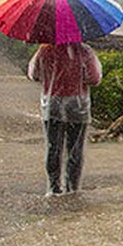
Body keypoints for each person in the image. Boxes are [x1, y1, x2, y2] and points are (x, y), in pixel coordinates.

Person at [27, 42, 103, 195]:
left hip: (52, 104)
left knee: (53, 147)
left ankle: (54, 188)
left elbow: (34, 75)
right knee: (75, 149)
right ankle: (72, 188)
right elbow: (94, 79)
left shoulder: (45, 50)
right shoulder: (84, 51)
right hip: (77, 104)